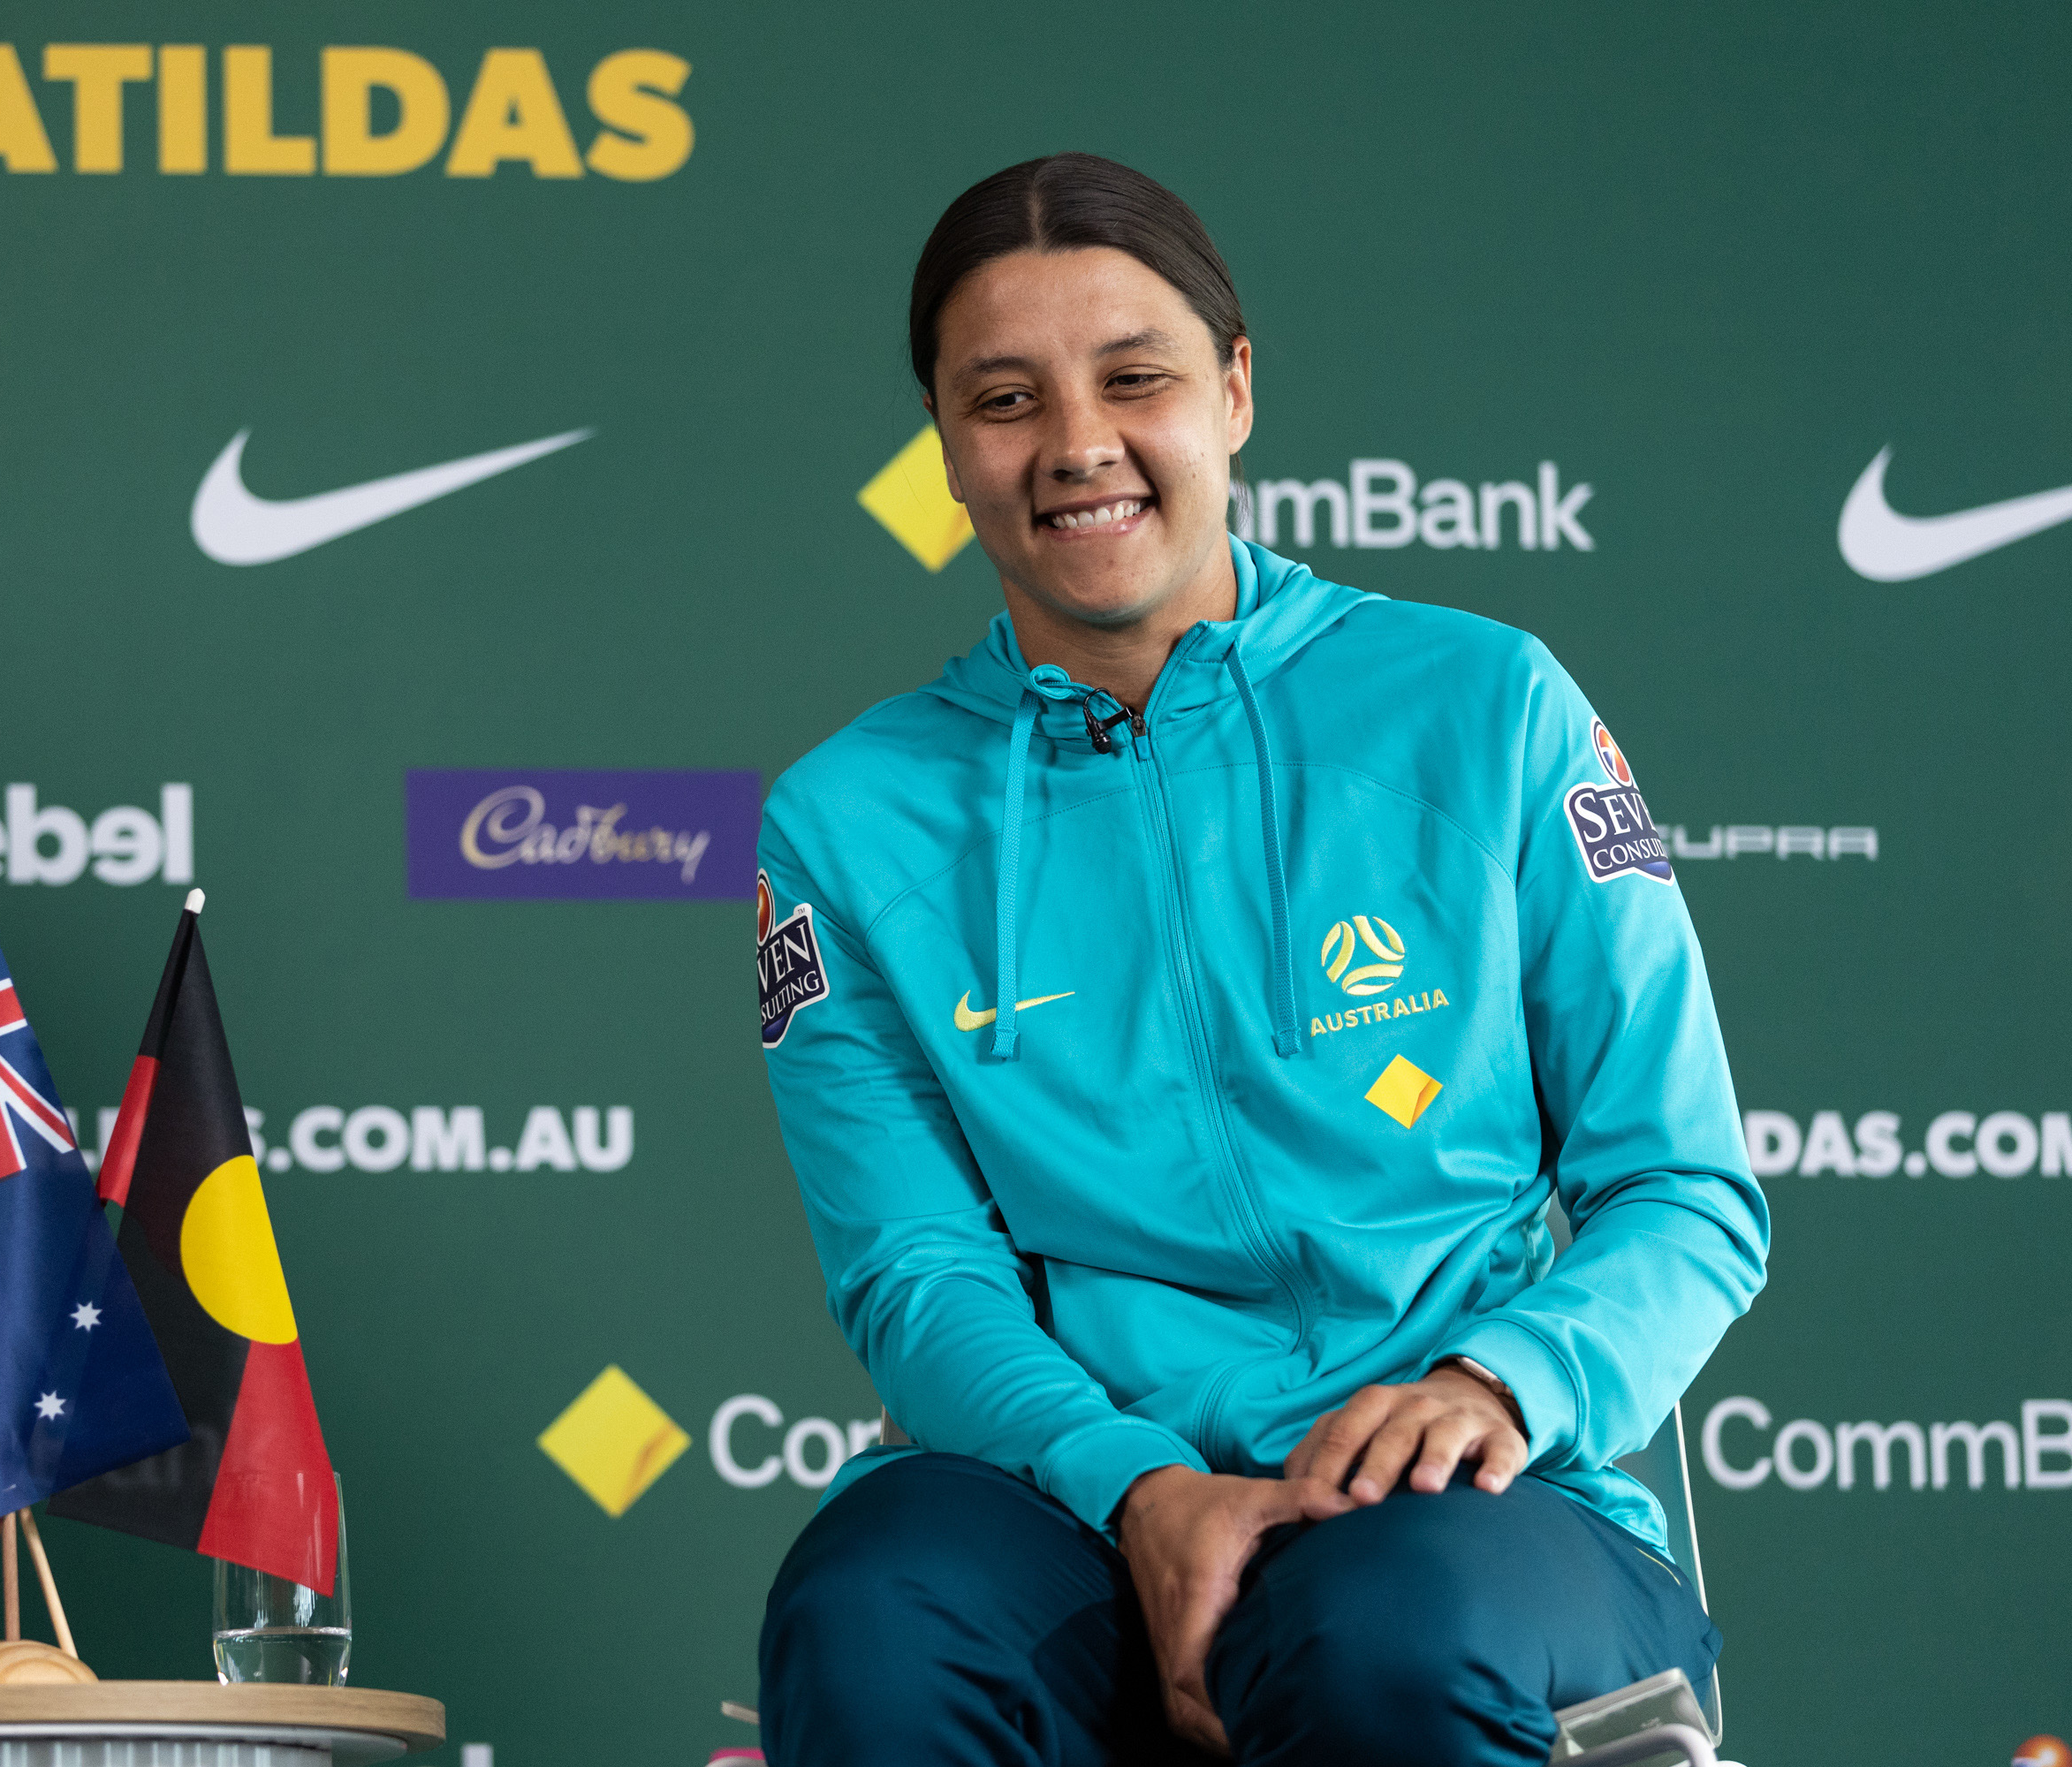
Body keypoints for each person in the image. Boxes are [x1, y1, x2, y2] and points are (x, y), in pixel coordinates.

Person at [751, 153, 1769, 1767]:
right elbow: (916, 1273)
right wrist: (1137, 1486)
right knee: (874, 1623)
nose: (1078, 445)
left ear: (1232, 390)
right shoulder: (849, 821)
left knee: (1385, 1638)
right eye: (1003, 399)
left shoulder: (1487, 704)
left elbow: (1685, 1192)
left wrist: (1505, 1385)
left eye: (1135, 378)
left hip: (1465, 1498)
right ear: (946, 448)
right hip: (1065, 1491)